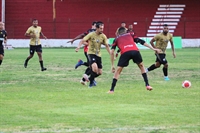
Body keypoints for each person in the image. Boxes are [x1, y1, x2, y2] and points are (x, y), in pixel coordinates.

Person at [108, 27, 160, 94]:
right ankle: (147, 85)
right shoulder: (130, 34)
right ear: (125, 31)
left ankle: (111, 90)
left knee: (118, 71)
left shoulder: (116, 39)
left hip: (125, 53)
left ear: (118, 33)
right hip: (135, 51)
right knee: (141, 66)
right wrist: (153, 49)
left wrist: (112, 65)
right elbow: (141, 41)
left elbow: (112, 52)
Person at [77, 21, 110, 88]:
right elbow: (82, 40)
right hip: (91, 53)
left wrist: (111, 54)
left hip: (98, 54)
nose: (102, 30)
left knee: (99, 72)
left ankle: (86, 79)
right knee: (94, 68)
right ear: (97, 28)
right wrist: (78, 47)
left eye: (102, 28)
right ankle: (91, 83)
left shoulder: (103, 36)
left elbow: (106, 45)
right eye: (101, 28)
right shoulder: (91, 34)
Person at [67, 21, 97, 85]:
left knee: (92, 65)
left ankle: (82, 64)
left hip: (91, 51)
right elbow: (82, 39)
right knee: (92, 66)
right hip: (88, 51)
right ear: (92, 25)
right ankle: (87, 79)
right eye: (95, 25)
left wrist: (74, 40)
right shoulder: (90, 31)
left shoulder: (95, 32)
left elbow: (82, 36)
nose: (96, 27)